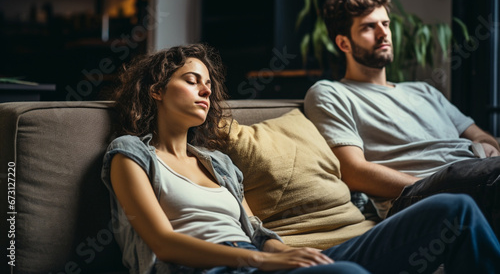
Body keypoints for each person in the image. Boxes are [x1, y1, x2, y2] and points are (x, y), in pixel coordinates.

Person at [101, 43, 500, 274]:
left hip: (254, 258)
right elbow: (165, 243)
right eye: (191, 81)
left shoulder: (217, 163)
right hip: (214, 268)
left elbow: (256, 232)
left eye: (208, 84)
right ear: (156, 89)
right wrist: (260, 259)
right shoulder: (131, 154)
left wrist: (279, 252)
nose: (205, 91)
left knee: (455, 209)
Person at [303, 0, 500, 231]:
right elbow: (352, 170)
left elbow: (479, 134)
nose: (383, 33)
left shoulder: (423, 90)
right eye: (368, 27)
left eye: (385, 24)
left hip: (478, 171)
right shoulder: (331, 92)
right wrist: (430, 187)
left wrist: (489, 146)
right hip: (419, 195)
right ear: (344, 44)